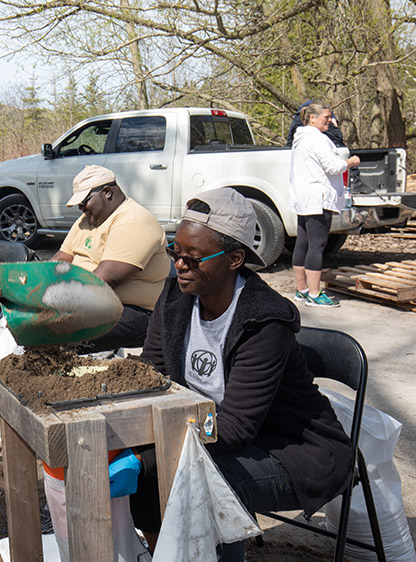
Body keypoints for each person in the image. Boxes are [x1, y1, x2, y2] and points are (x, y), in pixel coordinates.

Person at [125, 189, 353, 560]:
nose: (180, 265)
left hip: (290, 448)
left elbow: (235, 429)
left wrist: (152, 450)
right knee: (148, 469)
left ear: (234, 259)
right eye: (175, 252)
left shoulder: (265, 322)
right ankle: (161, 553)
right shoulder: (175, 298)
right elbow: (150, 375)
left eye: (194, 258)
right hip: (213, 437)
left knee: (201, 482)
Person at [51, 164, 168, 353]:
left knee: (64, 333)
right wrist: (38, 285)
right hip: (91, 302)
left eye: (84, 202)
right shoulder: (87, 220)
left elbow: (105, 280)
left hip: (136, 311)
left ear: (106, 192)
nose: (82, 209)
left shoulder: (133, 220)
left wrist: (52, 301)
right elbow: (62, 257)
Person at [289, 101, 361, 307]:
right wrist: (351, 161)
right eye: (326, 117)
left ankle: (302, 290)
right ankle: (314, 293)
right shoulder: (318, 139)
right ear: (313, 118)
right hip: (318, 198)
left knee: (303, 242)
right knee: (317, 245)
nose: (330, 120)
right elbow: (333, 166)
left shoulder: (300, 138)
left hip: (304, 197)